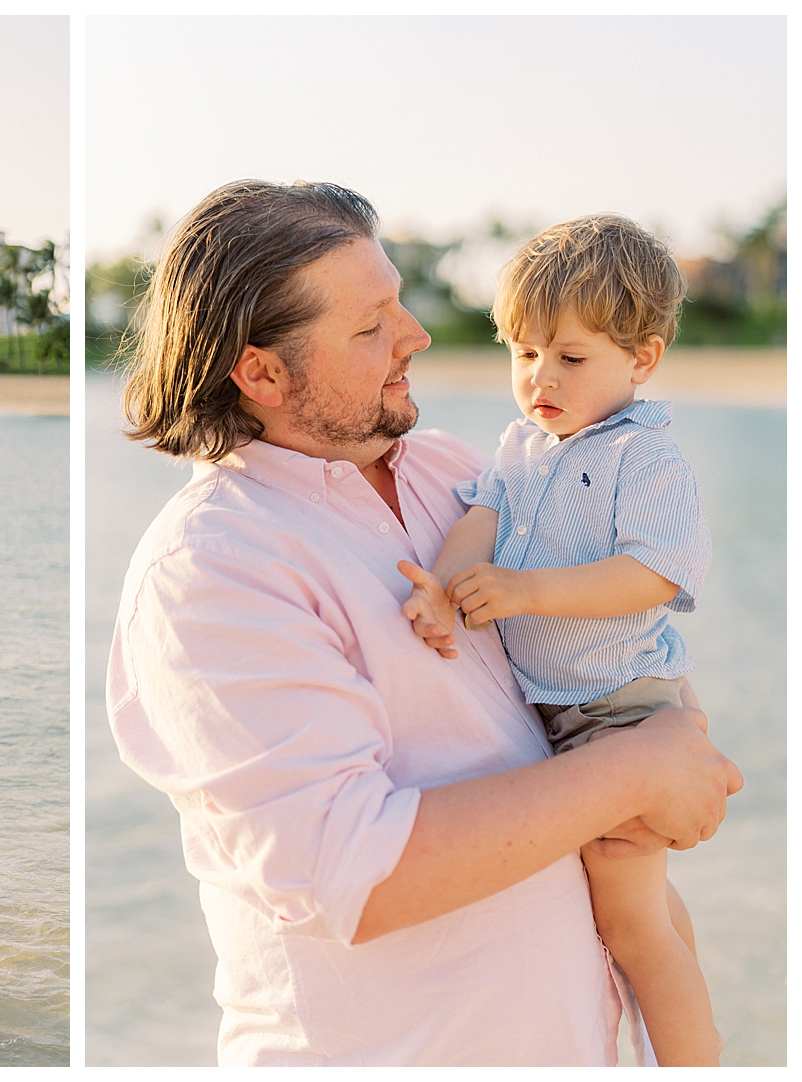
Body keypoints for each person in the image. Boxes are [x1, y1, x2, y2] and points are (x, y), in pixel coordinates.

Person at [106, 180, 742, 1066]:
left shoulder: (449, 471)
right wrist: (636, 769)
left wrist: (670, 724)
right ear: (262, 373)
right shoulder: (212, 570)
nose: (417, 336)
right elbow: (353, 874)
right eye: (371, 326)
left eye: (399, 303)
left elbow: (591, 632)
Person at [398, 215, 717, 1064]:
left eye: (571, 358)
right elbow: (482, 514)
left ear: (640, 360)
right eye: (524, 352)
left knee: (627, 920)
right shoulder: (523, 445)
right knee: (642, 901)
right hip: (562, 710)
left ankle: (699, 1059)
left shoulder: (645, 458)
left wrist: (525, 591)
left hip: (621, 709)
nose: (541, 376)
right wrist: (443, 586)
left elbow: (654, 574)